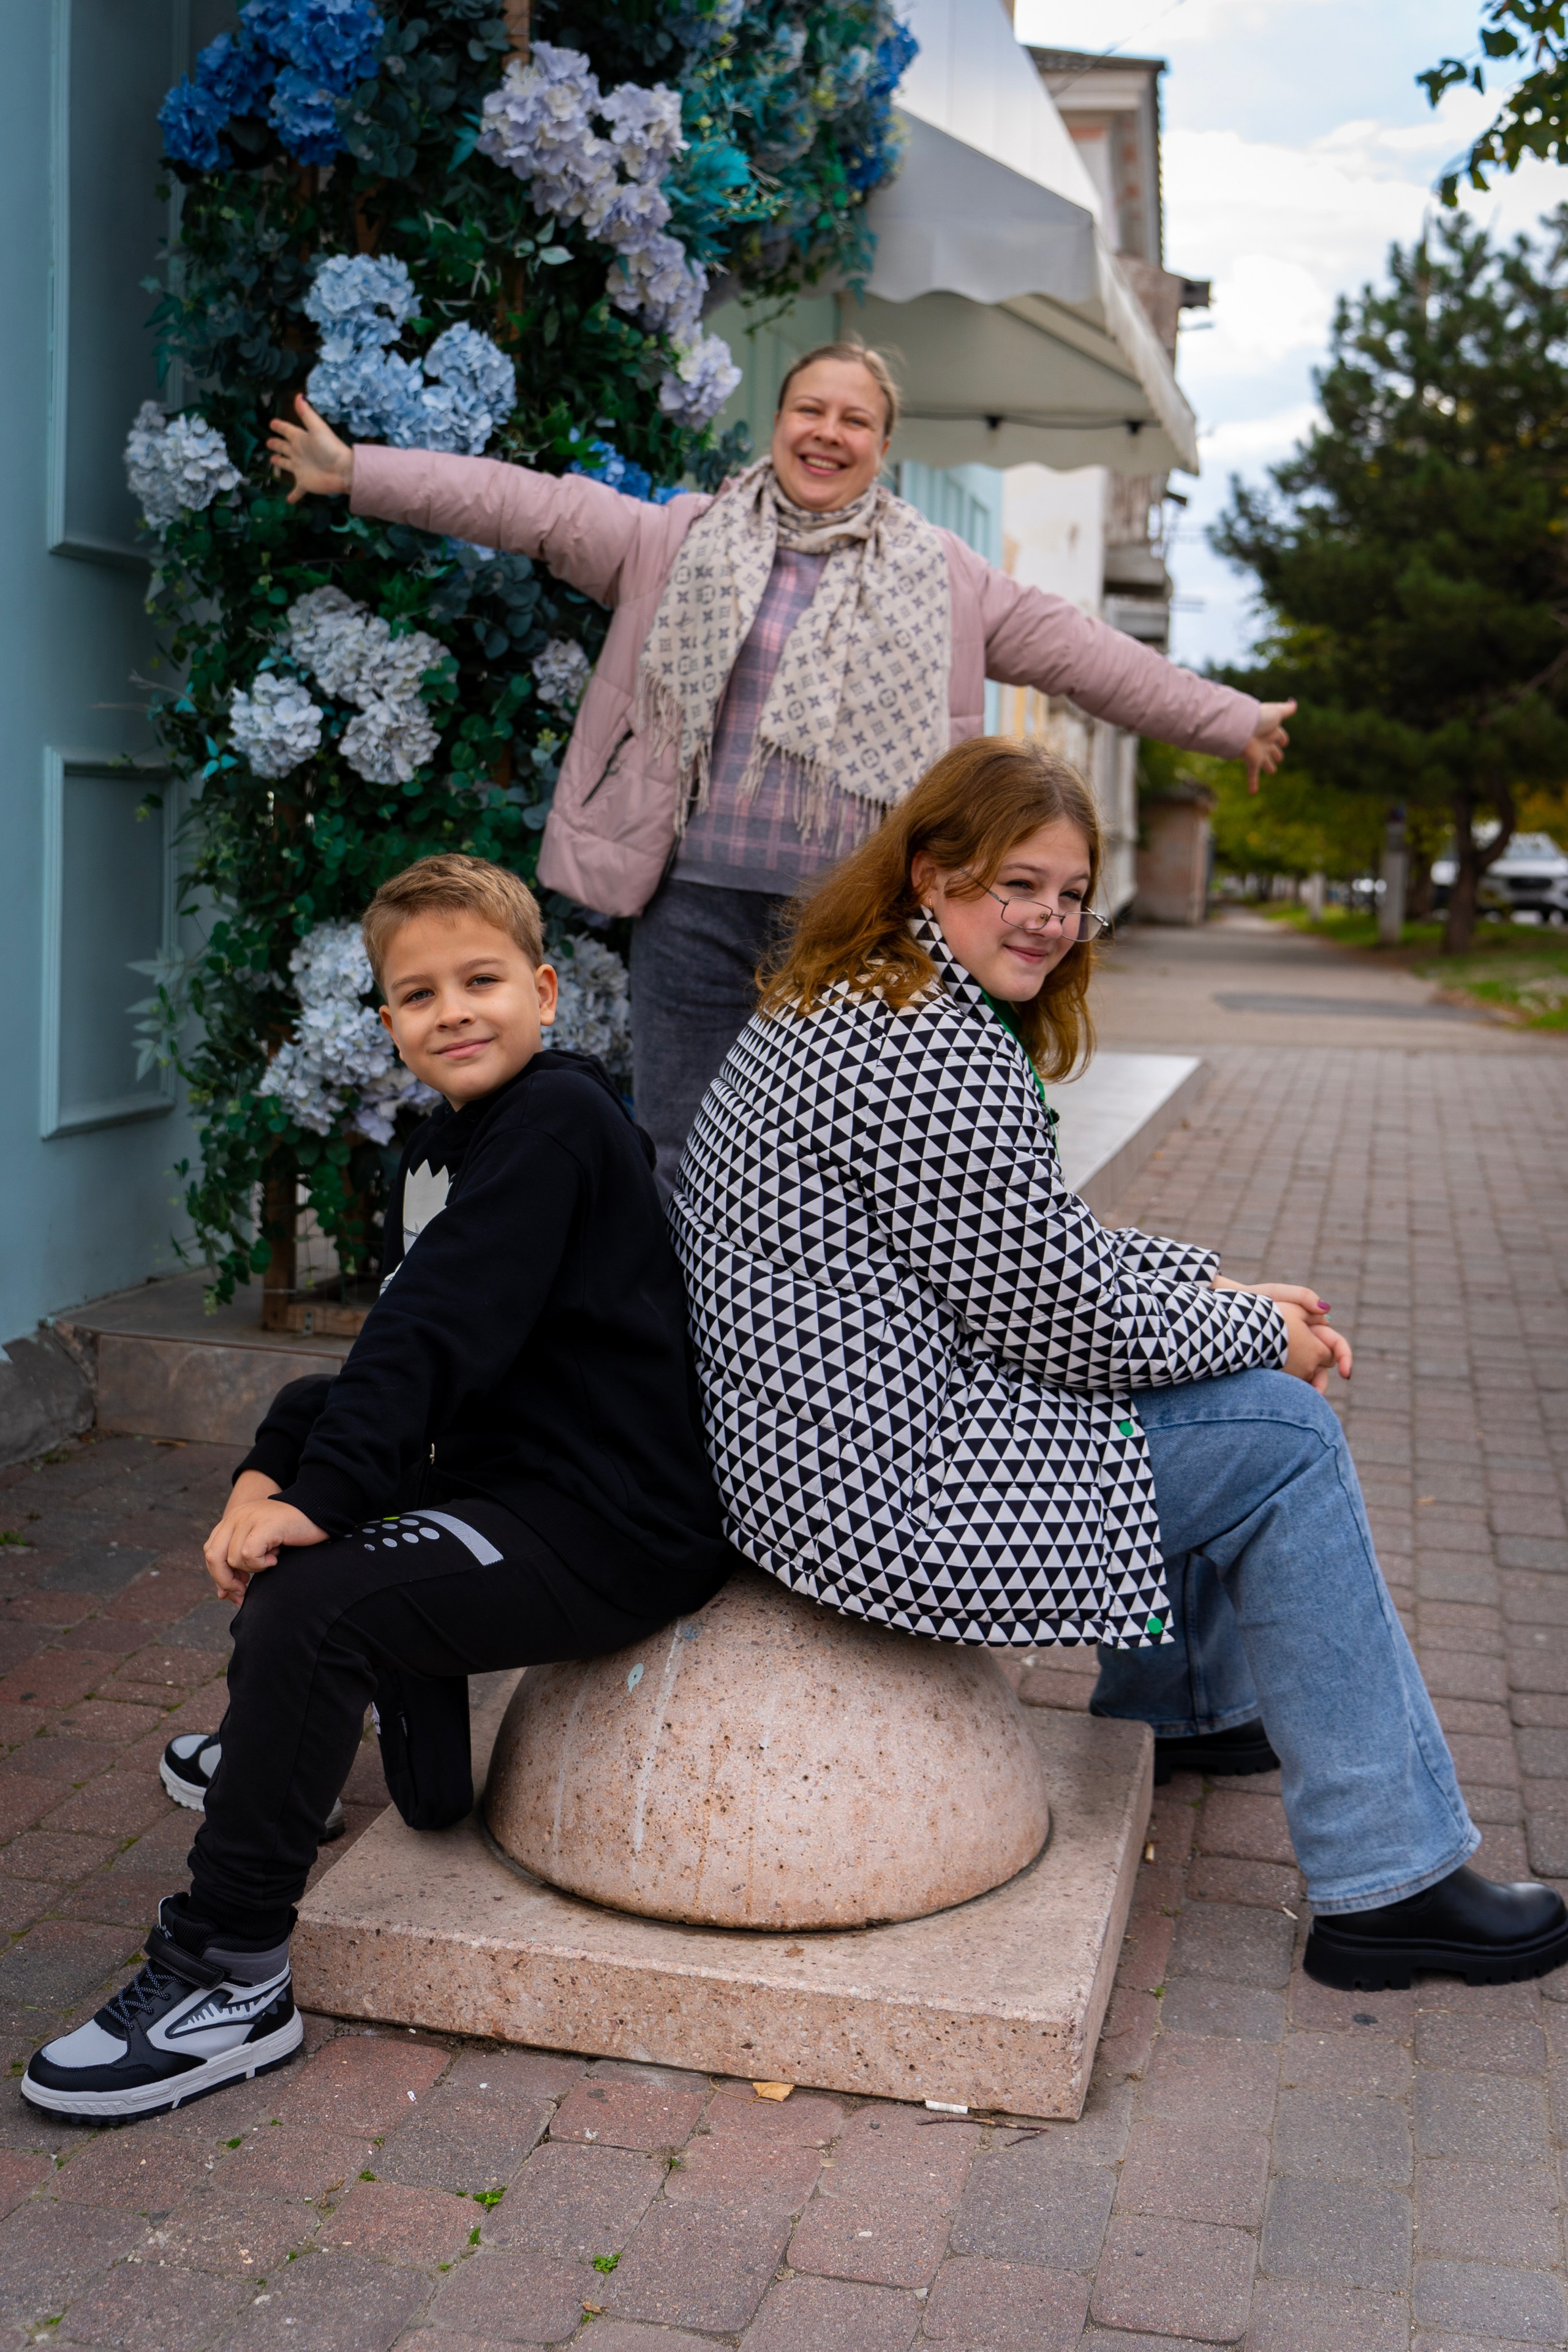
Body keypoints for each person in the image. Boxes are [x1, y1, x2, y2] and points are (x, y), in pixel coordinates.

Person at [669, 736, 1568, 1991]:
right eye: (1013, 884)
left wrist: (1219, 1288)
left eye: (1066, 891)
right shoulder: (923, 1045)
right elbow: (1069, 1328)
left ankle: (1188, 1709)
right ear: (930, 876)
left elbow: (1035, 1249)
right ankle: (1391, 1883)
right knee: (1279, 1436)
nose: (1045, 919)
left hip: (831, 1444)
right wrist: (1268, 1335)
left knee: (1219, 1388)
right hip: (877, 1494)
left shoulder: (871, 997)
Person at [23, 855, 734, 2120]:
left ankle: (228, 1974)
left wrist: (318, 1493)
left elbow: (435, 1337)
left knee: (315, 1600)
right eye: (417, 995)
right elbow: (387, 1353)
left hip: (611, 1526)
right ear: (391, 1024)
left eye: (481, 980)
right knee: (317, 1549)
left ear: (547, 991)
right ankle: (284, 1747)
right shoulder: (450, 1147)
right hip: (507, 1491)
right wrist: (265, 1468)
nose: (453, 1011)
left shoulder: (561, 1123)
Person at [265, 342, 1297, 1187]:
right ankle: (672, 1388)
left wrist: (1232, 718)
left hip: (853, 921)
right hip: (697, 901)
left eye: (855, 419)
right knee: (681, 1144)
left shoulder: (946, 577)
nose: (828, 432)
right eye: (811, 408)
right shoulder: (676, 538)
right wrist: (358, 472)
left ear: (884, 445)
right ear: (780, 421)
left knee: (840, 1157)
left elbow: (1093, 658)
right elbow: (523, 506)